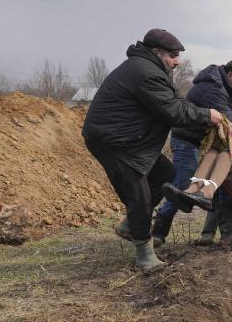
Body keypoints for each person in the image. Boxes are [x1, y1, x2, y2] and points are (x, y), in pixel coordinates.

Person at [82, 28, 223, 271]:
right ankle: (145, 254)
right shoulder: (146, 72)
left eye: (178, 55)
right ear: (157, 52)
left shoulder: (152, 70)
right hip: (116, 141)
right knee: (139, 193)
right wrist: (206, 115)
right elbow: (171, 111)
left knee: (165, 175)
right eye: (173, 55)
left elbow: (173, 103)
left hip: (131, 140)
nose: (177, 61)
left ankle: (129, 226)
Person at [150, 59, 232, 246]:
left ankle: (228, 235)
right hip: (189, 141)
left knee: (221, 186)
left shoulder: (228, 90)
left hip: (207, 143)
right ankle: (157, 232)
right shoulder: (215, 91)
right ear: (230, 76)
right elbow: (229, 124)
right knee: (182, 185)